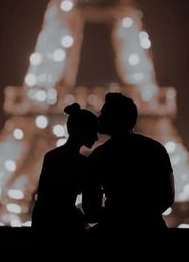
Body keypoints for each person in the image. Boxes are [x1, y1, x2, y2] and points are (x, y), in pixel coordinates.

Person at [82, 92, 175, 246]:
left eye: (104, 114)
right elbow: (167, 197)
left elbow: (91, 209)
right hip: (152, 231)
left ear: (115, 118)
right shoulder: (156, 149)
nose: (100, 118)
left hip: (113, 233)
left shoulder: (99, 156)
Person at [31, 103, 98, 247]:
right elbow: (90, 208)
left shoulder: (50, 157)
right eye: (93, 131)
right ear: (81, 131)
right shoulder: (84, 163)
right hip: (68, 230)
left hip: (46, 228)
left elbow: (44, 200)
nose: (97, 137)